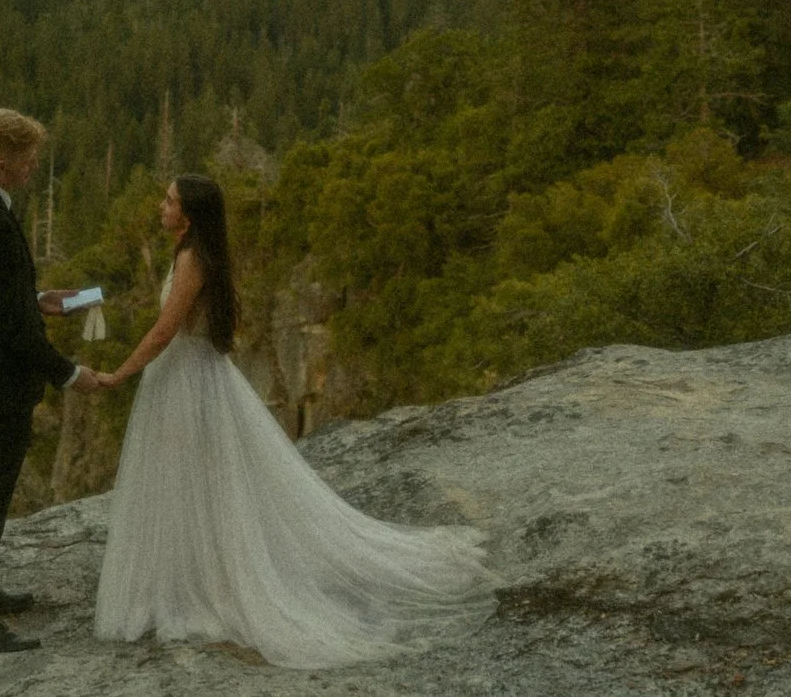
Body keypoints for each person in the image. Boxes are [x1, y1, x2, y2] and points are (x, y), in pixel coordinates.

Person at [86, 173, 494, 668]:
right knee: (190, 481)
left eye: (168, 200)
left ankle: (205, 582)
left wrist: (119, 373)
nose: (160, 206)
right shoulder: (192, 251)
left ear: (187, 216)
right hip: (187, 376)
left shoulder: (193, 258)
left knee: (199, 481)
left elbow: (167, 329)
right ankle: (190, 574)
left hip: (186, 379)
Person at [0, 108, 102, 657]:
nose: (35, 166)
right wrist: (68, 373)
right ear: (3, 163)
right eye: (29, 159)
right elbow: (10, 329)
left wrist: (37, 300)